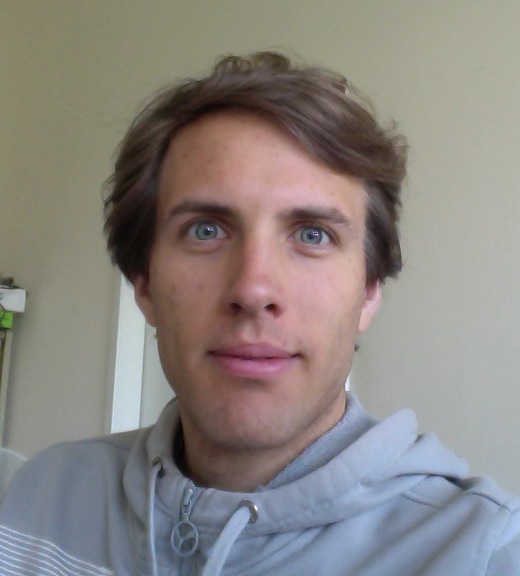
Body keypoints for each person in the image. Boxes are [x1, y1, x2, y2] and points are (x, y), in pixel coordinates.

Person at [0, 52, 518, 576]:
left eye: (313, 235)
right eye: (206, 230)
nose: (253, 290)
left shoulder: (485, 554)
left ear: (368, 292)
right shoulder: (36, 500)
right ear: (145, 284)